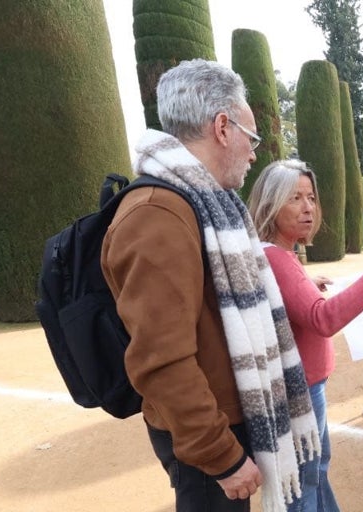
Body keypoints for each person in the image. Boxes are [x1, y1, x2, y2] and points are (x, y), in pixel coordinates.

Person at [102, 59, 321, 512]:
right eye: (252, 137)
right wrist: (220, 457)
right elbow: (160, 360)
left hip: (225, 416)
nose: (254, 153)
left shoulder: (204, 206)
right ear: (223, 127)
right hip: (207, 437)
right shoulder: (158, 214)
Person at [247, 159, 363, 512]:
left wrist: (304, 283)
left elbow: (283, 296)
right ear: (269, 205)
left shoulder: (279, 255)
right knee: (303, 483)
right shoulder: (279, 259)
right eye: (294, 198)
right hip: (301, 392)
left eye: (310, 197)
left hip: (303, 387)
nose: (308, 207)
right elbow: (323, 318)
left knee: (315, 471)